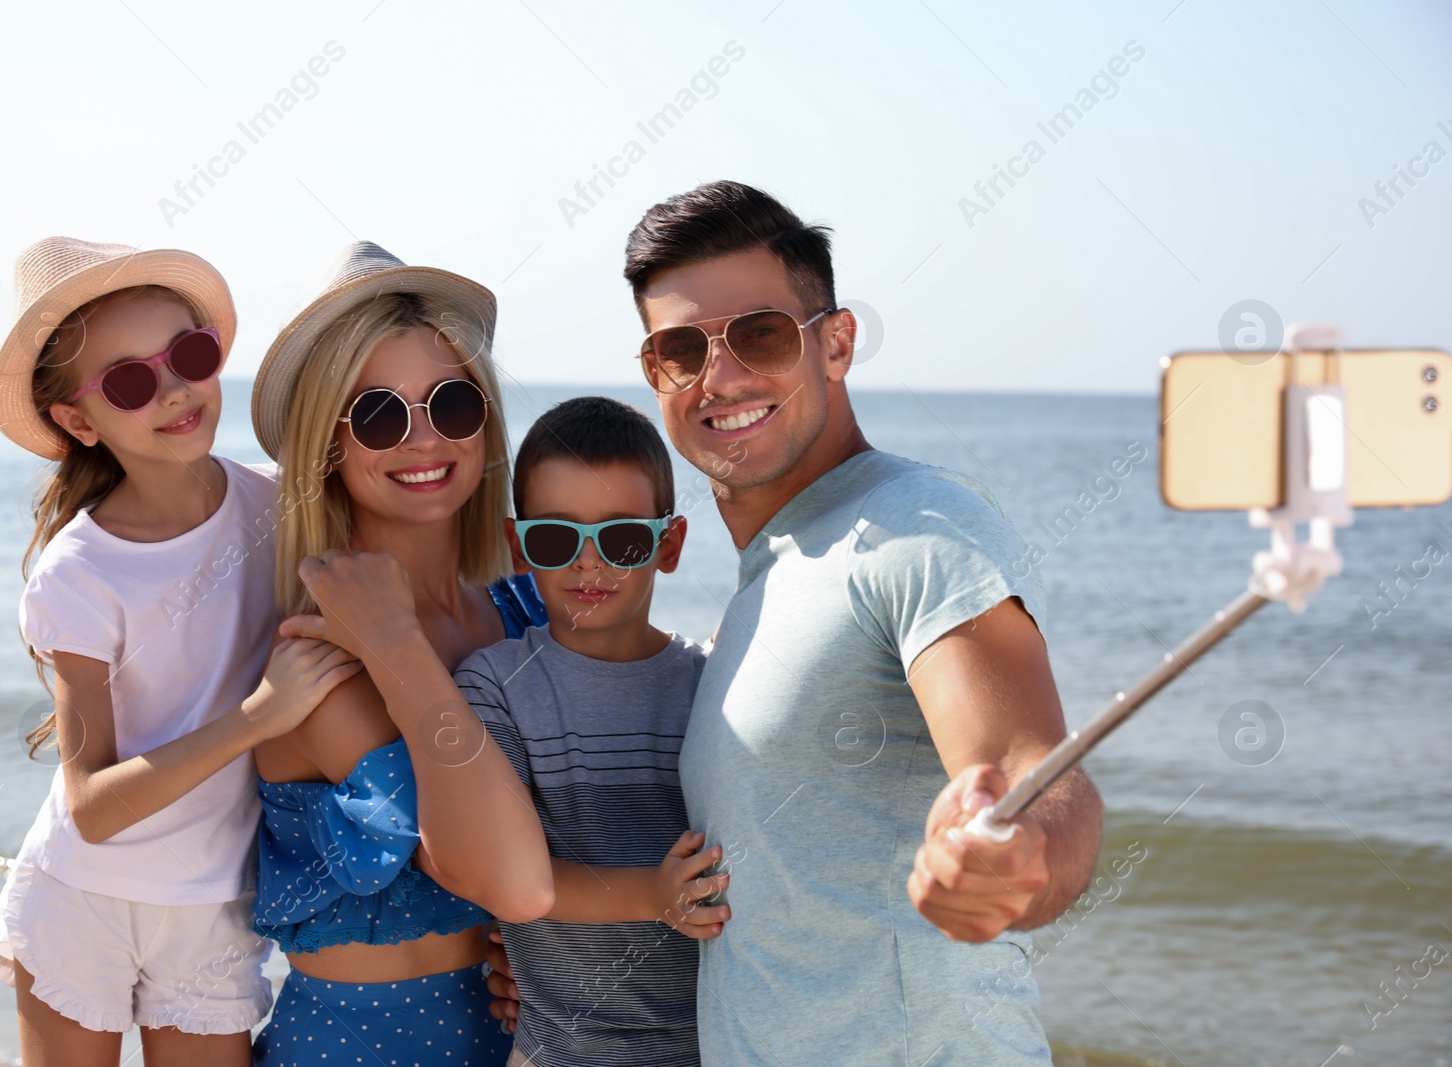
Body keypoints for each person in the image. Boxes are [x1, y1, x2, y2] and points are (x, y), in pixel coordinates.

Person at [491, 181, 1106, 1064]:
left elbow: (1029, 772)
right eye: (680, 349)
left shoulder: (915, 528)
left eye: (762, 334)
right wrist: (541, 958)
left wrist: (1021, 856)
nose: (723, 377)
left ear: (838, 342)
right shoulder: (765, 583)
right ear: (653, 373)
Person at [0, 237, 360, 1067]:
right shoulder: (79, 572)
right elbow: (93, 804)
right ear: (79, 419)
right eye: (130, 381)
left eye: (189, 354)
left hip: (217, 906)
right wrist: (259, 718)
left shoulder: (278, 506)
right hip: (80, 903)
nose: (175, 390)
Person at [248, 241, 555, 1066]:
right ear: (327, 447)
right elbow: (508, 876)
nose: (424, 440)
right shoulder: (315, 659)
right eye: (380, 414)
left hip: (528, 1040)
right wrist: (391, 641)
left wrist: (569, 962)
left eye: (450, 403)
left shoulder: (524, 610)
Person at [455, 396, 723, 1067]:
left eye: (622, 538)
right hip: (557, 1053)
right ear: (519, 547)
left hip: (716, 1049)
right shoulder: (496, 685)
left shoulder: (715, 684)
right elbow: (503, 870)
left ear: (669, 545)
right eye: (556, 537)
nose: (588, 562)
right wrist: (650, 897)